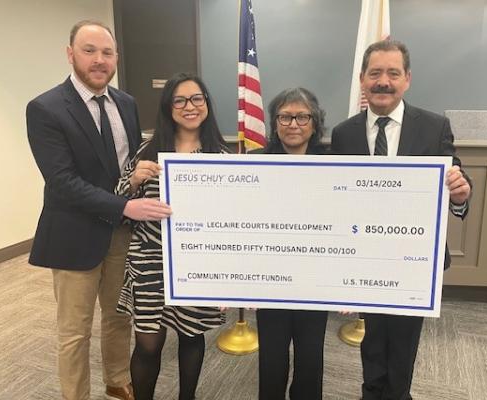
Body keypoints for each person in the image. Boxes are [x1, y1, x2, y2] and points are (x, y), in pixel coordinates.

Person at [26, 20, 171, 400]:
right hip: (75, 234)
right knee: (75, 331)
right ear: (70, 54)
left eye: (107, 53)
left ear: (117, 59)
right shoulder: (45, 108)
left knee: (119, 315)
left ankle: (116, 379)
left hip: (122, 231)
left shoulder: (126, 103)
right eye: (89, 50)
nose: (99, 60)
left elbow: (129, 163)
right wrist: (127, 204)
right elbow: (63, 182)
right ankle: (76, 395)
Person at [331, 40, 472, 400]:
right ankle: (371, 391)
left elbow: (455, 176)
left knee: (405, 338)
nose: (383, 81)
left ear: (407, 79)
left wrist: (461, 192)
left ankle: (398, 394)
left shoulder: (434, 126)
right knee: (373, 334)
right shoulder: (343, 133)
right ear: (362, 79)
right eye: (375, 73)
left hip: (413, 259)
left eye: (393, 73)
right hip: (365, 255)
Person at [115, 73, 227, 400]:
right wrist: (134, 179)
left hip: (197, 261)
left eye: (197, 99)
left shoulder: (221, 158)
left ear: (206, 104)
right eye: (179, 100)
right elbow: (118, 198)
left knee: (192, 335)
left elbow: (230, 219)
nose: (189, 106)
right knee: (148, 342)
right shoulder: (147, 149)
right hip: (149, 258)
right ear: (168, 106)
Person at [253, 88, 328, 400]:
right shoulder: (255, 162)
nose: (293, 123)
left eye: (302, 116)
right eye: (285, 116)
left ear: (314, 122)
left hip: (315, 279)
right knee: (272, 358)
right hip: (272, 280)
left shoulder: (335, 164)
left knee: (311, 358)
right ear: (274, 122)